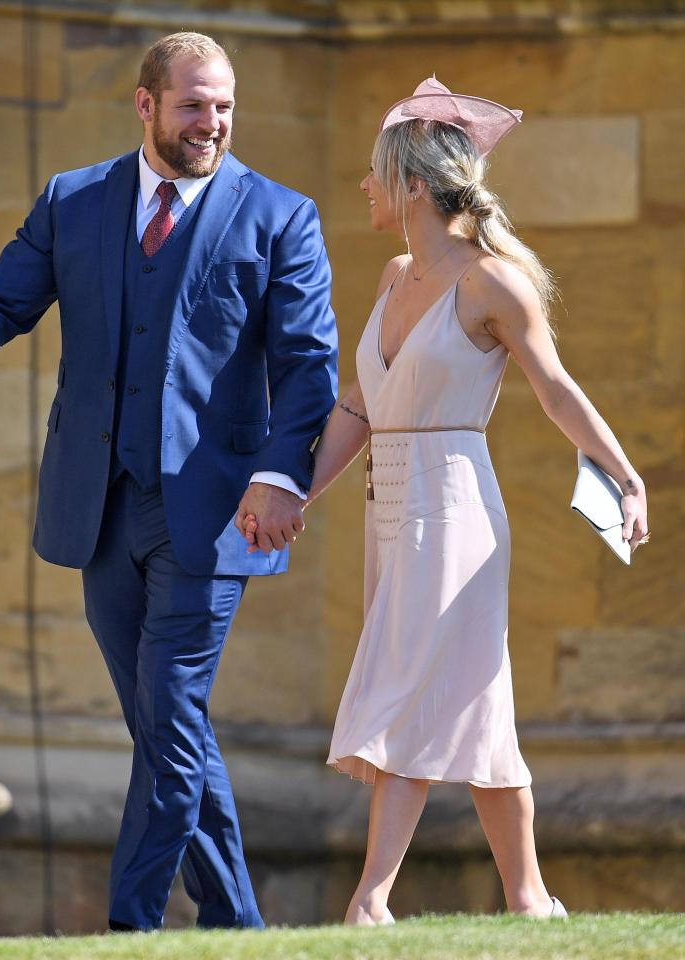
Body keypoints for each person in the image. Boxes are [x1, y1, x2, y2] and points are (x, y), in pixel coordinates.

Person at [0, 32, 338, 932]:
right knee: (163, 725)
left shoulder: (280, 216)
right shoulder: (75, 201)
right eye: (192, 105)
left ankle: (130, 927)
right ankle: (237, 929)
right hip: (98, 505)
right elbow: (0, 298)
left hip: (214, 512)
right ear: (145, 105)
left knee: (170, 704)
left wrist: (278, 477)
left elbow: (308, 367)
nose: (211, 122)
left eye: (223, 105)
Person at [242, 77, 649, 924]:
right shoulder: (394, 274)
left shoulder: (494, 283)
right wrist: (298, 493)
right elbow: (358, 406)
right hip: (389, 510)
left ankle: (369, 901)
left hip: (454, 510)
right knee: (470, 699)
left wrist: (621, 470)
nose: (361, 186)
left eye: (373, 172)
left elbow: (555, 388)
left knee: (406, 684)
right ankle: (531, 897)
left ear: (412, 187)